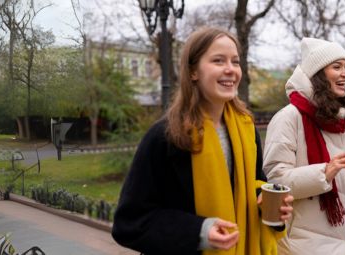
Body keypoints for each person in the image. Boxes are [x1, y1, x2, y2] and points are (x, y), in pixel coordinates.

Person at [112, 27, 293, 255]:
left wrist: (270, 207)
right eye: (218, 61)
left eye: (235, 62)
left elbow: (256, 184)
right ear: (193, 71)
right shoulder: (166, 136)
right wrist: (199, 231)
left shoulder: (246, 130)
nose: (230, 70)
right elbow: (129, 223)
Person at [263, 38, 345, 254]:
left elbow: (344, 173)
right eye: (336, 67)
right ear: (318, 74)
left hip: (341, 241)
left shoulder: (340, 121)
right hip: (299, 244)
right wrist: (324, 171)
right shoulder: (288, 118)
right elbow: (276, 180)